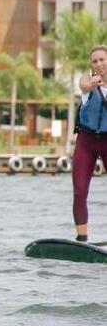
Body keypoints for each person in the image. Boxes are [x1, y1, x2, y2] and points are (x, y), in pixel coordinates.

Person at [72, 45, 107, 242]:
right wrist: (94, 83)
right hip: (86, 141)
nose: (99, 64)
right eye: (95, 61)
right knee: (80, 190)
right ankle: (82, 239)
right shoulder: (87, 79)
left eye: (102, 59)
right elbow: (84, 86)